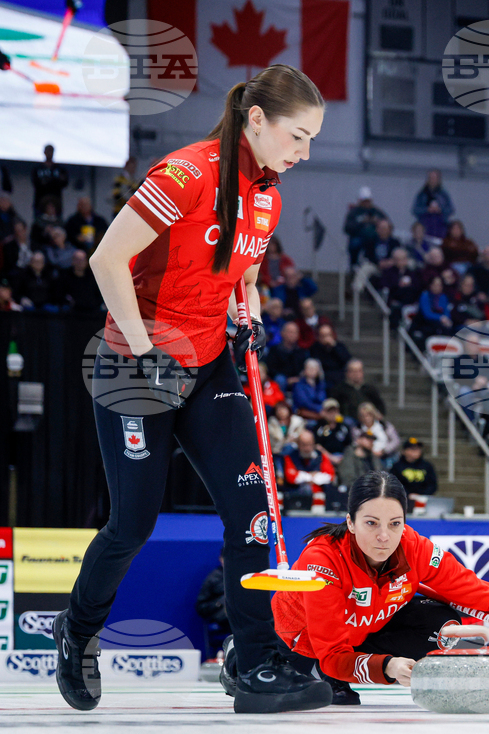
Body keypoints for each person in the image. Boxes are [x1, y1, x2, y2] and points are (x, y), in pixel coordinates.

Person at [56, 65, 333, 714]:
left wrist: (252, 310)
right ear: (257, 121)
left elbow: (244, 272)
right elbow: (106, 260)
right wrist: (146, 348)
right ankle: (78, 632)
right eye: (299, 136)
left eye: (313, 139)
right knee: (132, 523)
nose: (305, 153)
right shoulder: (186, 174)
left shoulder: (269, 193)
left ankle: (255, 662)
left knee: (254, 515)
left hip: (209, 365)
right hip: (137, 364)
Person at [262, 472, 489, 704]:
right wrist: (388, 668)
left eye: (395, 524)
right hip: (307, 642)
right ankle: (247, 652)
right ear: (350, 522)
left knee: (444, 624)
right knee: (306, 680)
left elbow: (484, 598)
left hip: (366, 629)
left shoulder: (414, 548)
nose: (384, 537)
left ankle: (349, 670)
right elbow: (332, 654)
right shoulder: (322, 561)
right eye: (371, 523)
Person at [283, 430, 336, 511]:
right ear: (298, 444)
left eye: (309, 444)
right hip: (298, 498)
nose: (307, 448)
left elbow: (330, 476)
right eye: (304, 445)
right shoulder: (291, 457)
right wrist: (311, 476)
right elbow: (291, 477)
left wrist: (304, 476)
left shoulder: (321, 456)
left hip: (321, 498)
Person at [196, 549, 231, 655]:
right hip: (221, 617)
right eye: (227, 559)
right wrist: (219, 603)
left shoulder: (243, 577)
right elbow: (201, 607)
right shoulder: (213, 578)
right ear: (221, 560)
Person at [390, 437, 438, 511]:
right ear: (404, 451)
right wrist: (407, 494)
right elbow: (394, 484)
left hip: (424, 500)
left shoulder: (427, 466)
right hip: (403, 501)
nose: (415, 451)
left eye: (417, 449)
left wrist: (421, 495)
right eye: (412, 449)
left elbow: (432, 484)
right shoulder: (397, 466)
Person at [343, 187, 387, 267]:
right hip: (359, 237)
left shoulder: (376, 212)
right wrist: (361, 222)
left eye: (368, 201)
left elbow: (387, 224)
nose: (366, 203)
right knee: (354, 244)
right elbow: (347, 228)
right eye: (364, 201)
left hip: (374, 239)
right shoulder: (354, 212)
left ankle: (375, 264)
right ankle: (354, 265)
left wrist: (376, 222)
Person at [353, 402, 401, 466]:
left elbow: (396, 441)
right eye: (363, 415)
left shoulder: (384, 426)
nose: (366, 418)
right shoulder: (357, 429)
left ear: (373, 414)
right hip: (367, 458)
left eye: (369, 415)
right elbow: (355, 443)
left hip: (386, 457)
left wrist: (384, 451)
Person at [411, 169, 453, 240]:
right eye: (431, 178)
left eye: (435, 178)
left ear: (439, 179)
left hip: (441, 229)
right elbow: (415, 210)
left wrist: (440, 210)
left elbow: (450, 209)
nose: (432, 180)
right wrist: (427, 210)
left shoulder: (444, 195)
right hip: (425, 228)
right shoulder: (421, 194)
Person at [265, 322, 309, 389]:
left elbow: (303, 369)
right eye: (289, 332)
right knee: (280, 379)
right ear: (282, 333)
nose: (292, 335)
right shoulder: (274, 350)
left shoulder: (302, 352)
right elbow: (271, 369)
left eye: (294, 332)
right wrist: (287, 380)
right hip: (280, 379)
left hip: (297, 379)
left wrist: (298, 377)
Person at [32, 144, 69, 215]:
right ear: (44, 152)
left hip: (56, 202)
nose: (49, 153)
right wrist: (54, 181)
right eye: (48, 151)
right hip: (40, 201)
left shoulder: (60, 169)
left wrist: (48, 181)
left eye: (51, 151)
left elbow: (65, 183)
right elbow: (36, 183)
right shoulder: (38, 168)